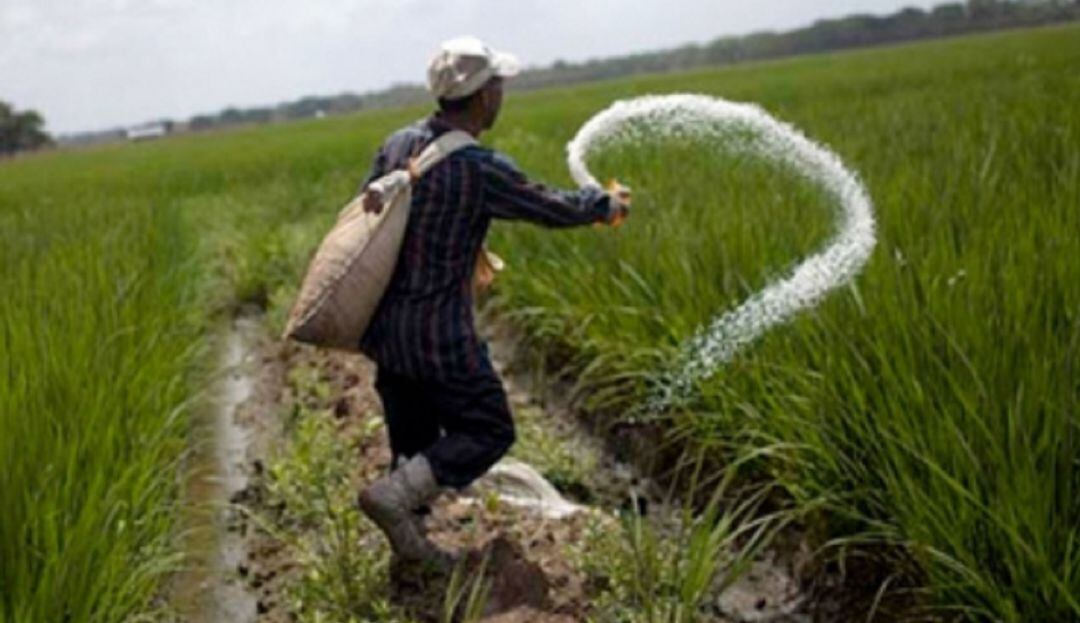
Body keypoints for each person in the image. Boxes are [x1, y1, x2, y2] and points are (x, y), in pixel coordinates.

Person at [355, 36, 630, 567]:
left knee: (413, 446)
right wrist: (605, 205)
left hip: (388, 333)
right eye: (498, 85)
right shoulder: (477, 167)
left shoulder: (396, 145)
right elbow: (548, 206)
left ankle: (407, 556)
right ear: (483, 97)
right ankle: (393, 500)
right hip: (440, 335)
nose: (502, 94)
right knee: (488, 428)